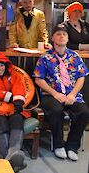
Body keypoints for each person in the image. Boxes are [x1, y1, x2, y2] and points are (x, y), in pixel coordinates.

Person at [33, 24, 89, 161]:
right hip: (51, 95)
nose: (61, 36)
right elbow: (39, 80)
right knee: (56, 110)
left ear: (68, 38)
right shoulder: (45, 57)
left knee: (83, 111)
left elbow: (81, 77)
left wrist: (72, 95)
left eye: (64, 34)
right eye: (58, 34)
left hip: (71, 95)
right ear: (52, 38)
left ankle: (72, 146)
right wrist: (55, 94)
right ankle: (58, 145)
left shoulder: (75, 56)